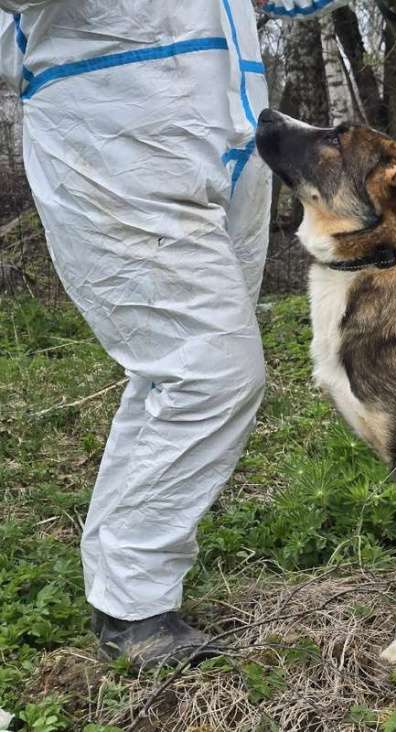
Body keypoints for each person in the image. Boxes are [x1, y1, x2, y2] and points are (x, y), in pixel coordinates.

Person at [0, 0, 348, 668]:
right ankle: (132, 607)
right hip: (115, 128)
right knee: (209, 374)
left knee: (176, 374)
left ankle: (124, 568)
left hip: (232, 127)